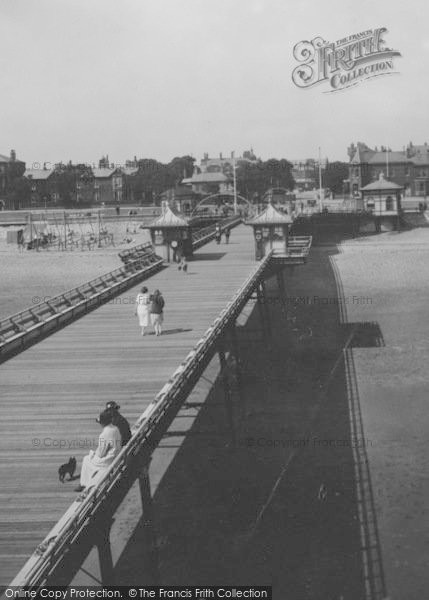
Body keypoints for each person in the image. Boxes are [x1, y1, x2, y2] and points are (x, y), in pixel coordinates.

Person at [75, 410, 121, 492]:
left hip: (108, 461)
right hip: (117, 456)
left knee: (86, 459)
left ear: (102, 423)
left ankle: (83, 484)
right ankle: (85, 483)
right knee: (89, 458)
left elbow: (101, 453)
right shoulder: (115, 428)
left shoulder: (104, 434)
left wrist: (93, 454)